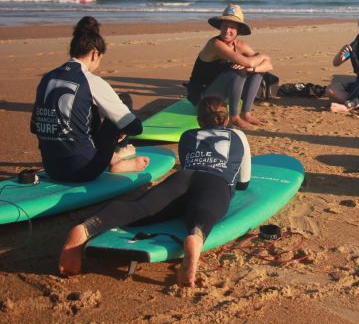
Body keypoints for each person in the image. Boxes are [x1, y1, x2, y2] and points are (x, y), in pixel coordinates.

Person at [58, 96, 252, 286]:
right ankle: (195, 237)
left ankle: (86, 228)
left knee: (140, 208)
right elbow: (244, 181)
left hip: (183, 178)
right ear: (226, 119)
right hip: (215, 182)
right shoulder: (239, 136)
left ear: (199, 120)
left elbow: (187, 166)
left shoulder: (187, 136)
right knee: (204, 214)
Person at [31, 17, 148, 182]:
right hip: (84, 169)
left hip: (51, 168)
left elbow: (35, 127)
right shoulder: (91, 81)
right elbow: (135, 128)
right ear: (95, 53)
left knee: (85, 112)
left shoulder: (47, 78)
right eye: (100, 58)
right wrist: (118, 128)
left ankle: (113, 156)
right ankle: (117, 160)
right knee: (122, 106)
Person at [186, 4, 272, 130]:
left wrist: (254, 68)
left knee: (257, 72)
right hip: (203, 97)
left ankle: (246, 113)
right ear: (220, 27)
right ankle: (234, 117)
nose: (227, 30)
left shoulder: (240, 45)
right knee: (240, 71)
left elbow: (269, 65)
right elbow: (250, 63)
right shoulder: (215, 44)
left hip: (221, 93)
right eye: (224, 26)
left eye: (232, 27)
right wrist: (261, 57)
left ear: (238, 31)